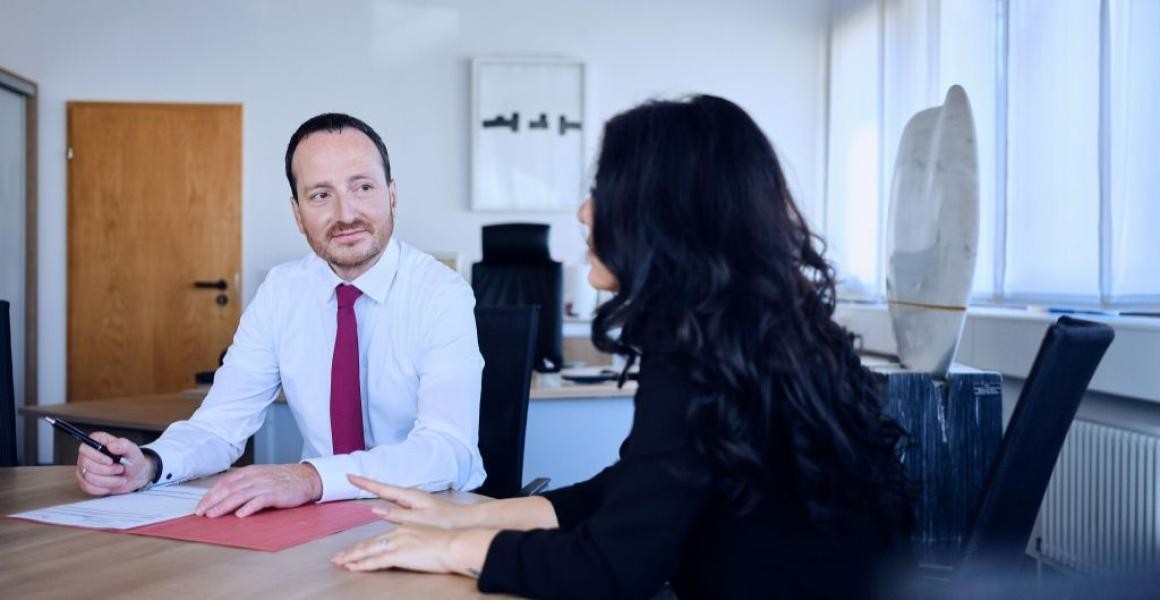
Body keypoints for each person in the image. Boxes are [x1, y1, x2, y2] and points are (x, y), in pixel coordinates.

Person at [331, 95, 913, 599]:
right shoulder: (763, 333)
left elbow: (611, 569)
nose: (585, 212)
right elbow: (632, 490)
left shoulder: (696, 354)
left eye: (603, 191)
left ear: (662, 213)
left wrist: (456, 548)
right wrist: (478, 514)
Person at [74, 113, 486, 517]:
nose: (345, 214)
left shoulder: (441, 294)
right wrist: (148, 464)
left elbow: (447, 451)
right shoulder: (281, 292)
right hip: (324, 517)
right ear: (297, 212)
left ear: (392, 195)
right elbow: (220, 425)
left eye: (362, 187)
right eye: (321, 195)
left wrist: (310, 479)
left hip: (431, 515)